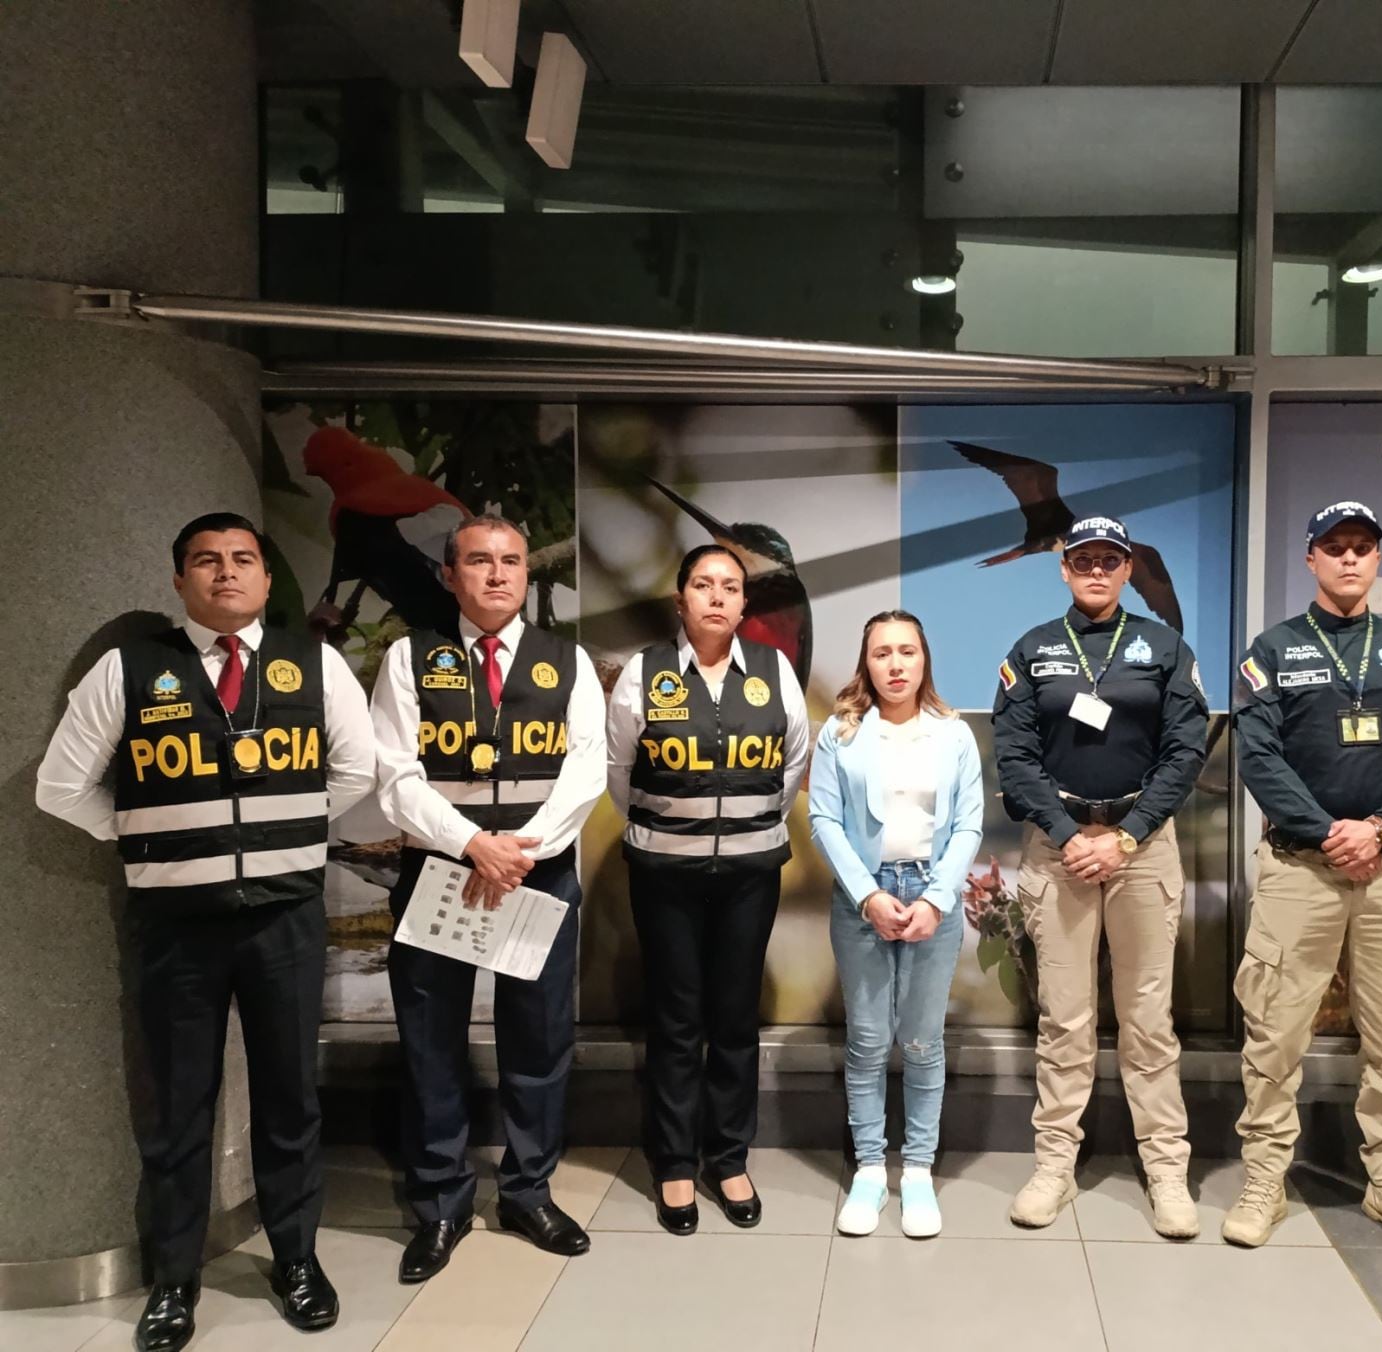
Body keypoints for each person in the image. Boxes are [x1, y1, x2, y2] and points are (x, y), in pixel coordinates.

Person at [36, 512, 377, 1352]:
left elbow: (356, 770)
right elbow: (60, 787)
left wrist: (283, 833)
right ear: (179, 579)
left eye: (243, 559)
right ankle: (174, 1279)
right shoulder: (129, 669)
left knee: (290, 1098)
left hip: (285, 916)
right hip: (176, 925)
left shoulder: (314, 663)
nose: (226, 572)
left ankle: (296, 1260)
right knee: (178, 1104)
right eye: (206, 560)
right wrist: (150, 839)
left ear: (264, 577)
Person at [370, 514, 606, 1281]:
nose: (498, 574)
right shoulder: (410, 657)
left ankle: (527, 1193)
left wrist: (516, 852)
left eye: (511, 561)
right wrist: (473, 844)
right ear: (450, 574)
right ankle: (441, 1202)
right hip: (442, 871)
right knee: (431, 1044)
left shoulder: (565, 661)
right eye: (479, 561)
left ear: (527, 575)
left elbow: (587, 769)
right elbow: (394, 775)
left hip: (537, 873)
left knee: (538, 1042)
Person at [1227, 501, 1382, 1251]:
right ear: (1312, 560)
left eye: (1363, 546)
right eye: (1335, 547)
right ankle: (1264, 1180)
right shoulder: (1273, 651)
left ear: (1378, 559)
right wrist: (1330, 833)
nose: (1350, 559)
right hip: (1301, 869)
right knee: (1275, 1032)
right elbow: (1258, 756)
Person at [992, 515, 1209, 1239]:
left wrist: (1126, 835)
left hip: (1140, 847)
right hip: (1059, 849)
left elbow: (1185, 752)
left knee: (1148, 1020)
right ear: (1064, 568)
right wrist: (1067, 835)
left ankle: (1166, 1169)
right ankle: (1054, 1164)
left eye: (1108, 561)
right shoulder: (1033, 649)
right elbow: (1015, 755)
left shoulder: (1164, 647)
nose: (1095, 571)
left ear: (1126, 570)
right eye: (1082, 560)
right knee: (1064, 1019)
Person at [605, 544, 810, 1235]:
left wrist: (742, 826)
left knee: (734, 1019)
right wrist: (678, 825)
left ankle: (727, 1157)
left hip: (751, 875)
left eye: (730, 586)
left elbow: (791, 764)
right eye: (703, 584)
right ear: (681, 599)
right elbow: (620, 772)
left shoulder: (773, 672)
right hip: (665, 874)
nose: (717, 597)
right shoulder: (644, 674)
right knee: (675, 1020)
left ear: (745, 603)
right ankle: (673, 1162)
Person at [809, 611, 984, 1239]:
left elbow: (969, 823)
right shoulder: (841, 733)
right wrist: (867, 896)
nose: (895, 664)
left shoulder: (953, 733)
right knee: (866, 1039)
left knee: (922, 1041)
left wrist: (936, 900)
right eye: (882, 653)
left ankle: (916, 1171)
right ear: (867, 662)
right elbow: (824, 820)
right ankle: (868, 1170)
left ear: (924, 658)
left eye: (907, 651)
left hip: (932, 894)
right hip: (864, 897)